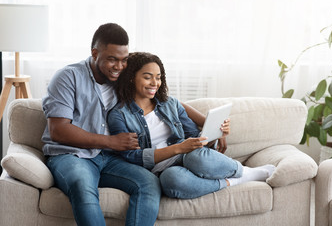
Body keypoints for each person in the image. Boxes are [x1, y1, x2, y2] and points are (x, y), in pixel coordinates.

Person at [42, 23, 165, 226]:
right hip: (71, 155)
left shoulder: (123, 79)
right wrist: (111, 142)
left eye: (124, 60)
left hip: (109, 159)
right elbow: (58, 130)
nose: (119, 66)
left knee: (149, 182)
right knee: (82, 185)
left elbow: (162, 99)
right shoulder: (67, 77)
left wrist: (206, 120)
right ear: (95, 53)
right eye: (112, 59)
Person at [107, 52, 276, 199]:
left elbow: (194, 135)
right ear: (131, 77)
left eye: (158, 77)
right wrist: (178, 148)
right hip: (159, 169)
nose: (154, 83)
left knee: (197, 157)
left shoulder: (170, 104)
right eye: (147, 77)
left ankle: (244, 172)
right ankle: (233, 180)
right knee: (171, 181)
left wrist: (215, 133)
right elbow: (131, 156)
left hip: (188, 156)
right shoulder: (119, 115)